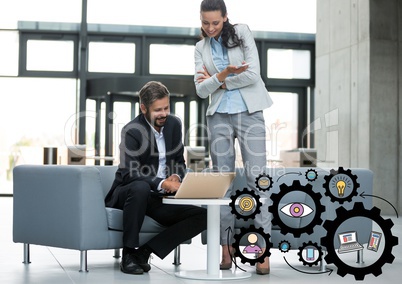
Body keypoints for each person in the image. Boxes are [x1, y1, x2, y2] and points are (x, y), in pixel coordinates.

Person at [194, 0, 273, 275]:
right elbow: (201, 91)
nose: (210, 27)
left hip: (249, 114)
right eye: (205, 22)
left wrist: (220, 79)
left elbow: (253, 74)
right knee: (221, 183)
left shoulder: (242, 33)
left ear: (225, 17)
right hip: (218, 117)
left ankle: (261, 250)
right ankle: (226, 249)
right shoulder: (200, 48)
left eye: (215, 22)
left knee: (258, 179)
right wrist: (221, 76)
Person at [105, 81, 207, 275]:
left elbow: (178, 160)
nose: (164, 114)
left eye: (166, 108)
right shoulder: (132, 130)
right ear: (143, 108)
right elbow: (130, 172)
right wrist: (162, 182)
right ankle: (129, 253)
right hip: (128, 193)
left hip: (157, 198)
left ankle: (144, 253)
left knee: (204, 215)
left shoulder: (174, 124)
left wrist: (176, 177)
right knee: (141, 187)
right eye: (157, 110)